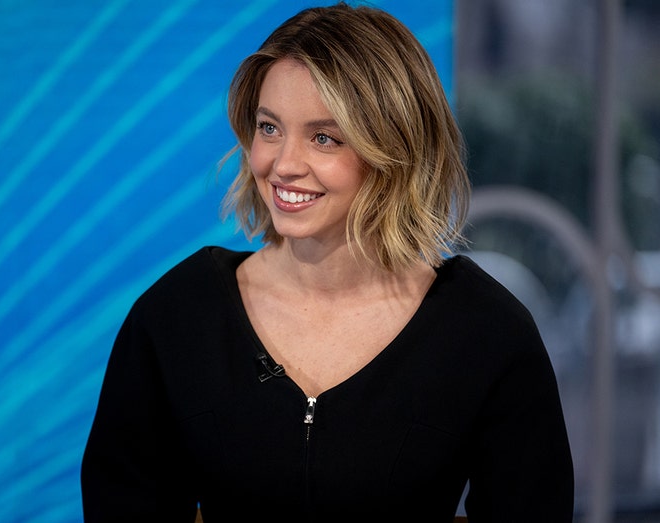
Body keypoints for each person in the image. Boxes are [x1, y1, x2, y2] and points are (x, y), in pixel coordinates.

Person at [81, 2, 574, 522]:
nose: (283, 165)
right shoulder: (175, 318)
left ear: (396, 150)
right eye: (269, 128)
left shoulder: (487, 333)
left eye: (324, 138)